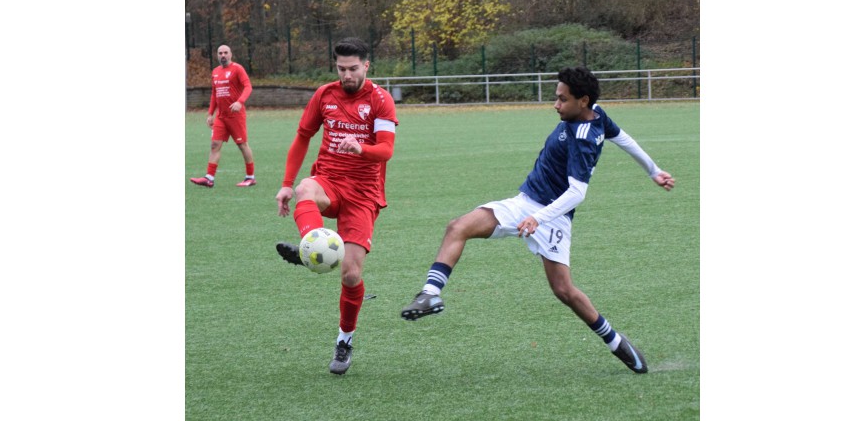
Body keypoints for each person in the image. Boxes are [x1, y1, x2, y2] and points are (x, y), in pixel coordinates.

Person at [400, 66, 675, 374]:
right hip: (524, 203)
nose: (555, 105)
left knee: (564, 291)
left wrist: (538, 218)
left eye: (562, 99)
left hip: (553, 217)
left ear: (582, 100)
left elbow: (577, 193)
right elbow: (623, 138)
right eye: (556, 97)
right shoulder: (596, 113)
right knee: (458, 226)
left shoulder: (583, 137)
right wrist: (653, 171)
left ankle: (614, 341)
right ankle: (430, 295)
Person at [274, 38, 399, 375]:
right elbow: (303, 136)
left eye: (353, 68)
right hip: (328, 181)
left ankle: (345, 340)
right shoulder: (324, 95)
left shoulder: (380, 100)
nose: (346, 75)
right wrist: (286, 183)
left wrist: (361, 148)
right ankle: (311, 247)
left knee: (352, 274)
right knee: (304, 188)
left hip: (363, 193)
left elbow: (386, 149)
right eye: (341, 69)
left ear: (366, 66)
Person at [190, 44, 258, 188]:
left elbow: (248, 87)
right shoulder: (215, 71)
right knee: (214, 145)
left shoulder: (237, 69)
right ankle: (209, 178)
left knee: (242, 145)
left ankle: (250, 177)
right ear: (217, 55)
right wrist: (210, 113)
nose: (223, 55)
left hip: (235, 115)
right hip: (221, 116)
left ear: (230, 54)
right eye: (220, 53)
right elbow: (214, 94)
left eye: (225, 52)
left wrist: (240, 102)